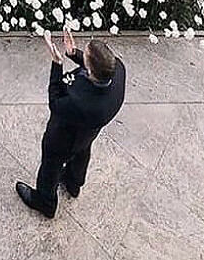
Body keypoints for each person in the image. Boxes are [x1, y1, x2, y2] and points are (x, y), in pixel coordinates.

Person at [15, 26, 125, 219]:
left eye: (86, 56)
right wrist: (74, 54)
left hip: (64, 138)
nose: (84, 56)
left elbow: (55, 102)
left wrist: (57, 63)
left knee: (51, 164)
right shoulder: (118, 71)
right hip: (88, 132)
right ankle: (74, 183)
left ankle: (45, 201)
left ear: (90, 70)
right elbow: (97, 68)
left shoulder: (80, 103)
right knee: (82, 152)